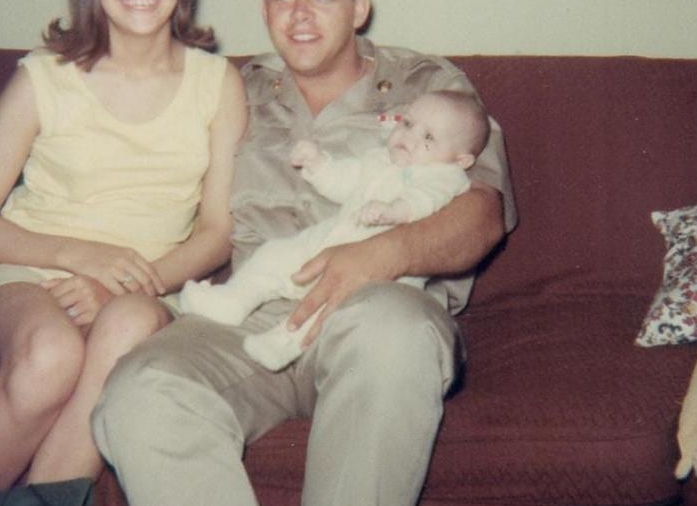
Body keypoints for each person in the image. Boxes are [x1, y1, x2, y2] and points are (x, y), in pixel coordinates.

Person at [92, 0, 517, 506]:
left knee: (392, 333)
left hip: (376, 310)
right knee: (137, 394)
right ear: (263, 8)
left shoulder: (427, 84)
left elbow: (481, 214)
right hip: (254, 317)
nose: (300, 14)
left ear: (359, 8)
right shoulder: (229, 88)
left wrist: (382, 253)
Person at [0, 0, 247, 490]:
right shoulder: (43, 78)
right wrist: (77, 256)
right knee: (51, 355)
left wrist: (123, 280)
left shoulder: (218, 82)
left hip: (147, 286)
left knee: (129, 323)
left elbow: (218, 231)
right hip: (26, 275)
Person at [176, 89, 490, 371]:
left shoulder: (445, 176)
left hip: (380, 270)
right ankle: (234, 299)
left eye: (429, 138)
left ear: (461, 160)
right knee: (275, 254)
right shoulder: (379, 159)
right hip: (326, 242)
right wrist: (318, 164)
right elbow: (346, 181)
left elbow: (427, 200)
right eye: (407, 124)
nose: (409, 137)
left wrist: (397, 210)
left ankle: (283, 343)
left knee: (336, 302)